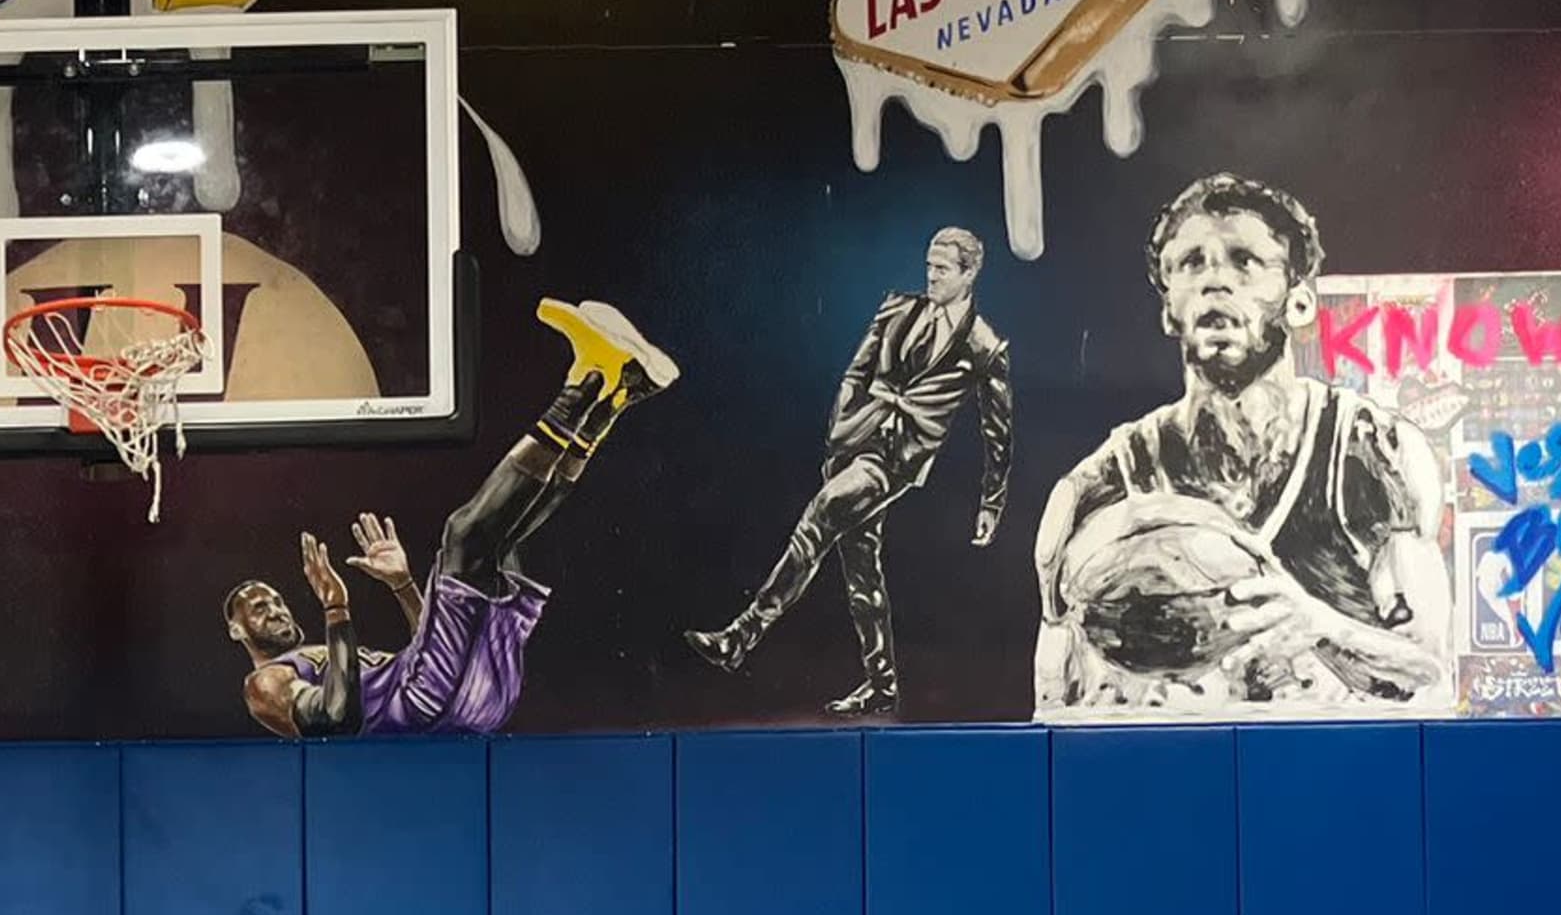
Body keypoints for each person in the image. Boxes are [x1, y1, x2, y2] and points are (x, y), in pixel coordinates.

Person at [1032, 173, 1449, 713]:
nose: (1214, 282)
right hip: (1182, 775)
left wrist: (1317, 626)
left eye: (1243, 260)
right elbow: (1053, 706)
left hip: (1337, 772)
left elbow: (1431, 676)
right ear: (1168, 311)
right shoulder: (1102, 486)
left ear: (1297, 302)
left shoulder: (1372, 454)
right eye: (1191, 264)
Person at [227, 296, 676, 739]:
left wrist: (403, 585)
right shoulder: (266, 684)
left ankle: (614, 396)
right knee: (464, 535)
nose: (277, 609)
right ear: (236, 629)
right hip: (428, 705)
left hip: (469, 694)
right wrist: (336, 606)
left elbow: (432, 648)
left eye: (276, 600)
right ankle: (584, 383)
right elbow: (338, 719)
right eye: (260, 607)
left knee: (502, 544)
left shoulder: (326, 654)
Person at [689, 227, 1011, 716]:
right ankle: (882, 685)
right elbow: (856, 372)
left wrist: (991, 500)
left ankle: (742, 635)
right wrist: (845, 427)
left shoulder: (985, 346)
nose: (930, 276)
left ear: (970, 274)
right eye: (928, 265)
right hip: (853, 442)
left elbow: (997, 430)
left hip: (895, 460)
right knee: (862, 573)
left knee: (822, 513)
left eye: (942, 269)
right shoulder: (898, 308)